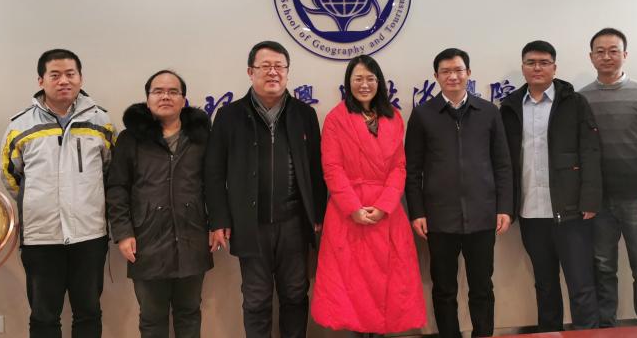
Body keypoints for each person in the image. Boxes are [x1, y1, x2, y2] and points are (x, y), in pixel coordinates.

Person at [204, 41, 327, 338]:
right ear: (251, 72)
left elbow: (316, 168)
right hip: (250, 224)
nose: (273, 72)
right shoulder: (229, 116)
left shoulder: (304, 114)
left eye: (279, 66)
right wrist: (218, 219)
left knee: (295, 294)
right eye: (265, 66)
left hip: (294, 222)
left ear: (287, 72)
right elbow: (214, 172)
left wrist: (318, 214)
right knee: (256, 298)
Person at [0, 48, 113, 338]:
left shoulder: (101, 121)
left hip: (89, 234)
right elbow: (11, 177)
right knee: (43, 316)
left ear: (80, 78)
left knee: (88, 312)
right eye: (55, 75)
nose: (64, 80)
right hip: (41, 237)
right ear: (41, 81)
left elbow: (110, 173)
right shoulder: (20, 125)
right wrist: (39, 202)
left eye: (70, 74)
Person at [312, 55, 426, 338]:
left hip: (387, 213)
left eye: (370, 79)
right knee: (352, 289)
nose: (364, 85)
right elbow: (332, 168)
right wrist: (353, 207)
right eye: (358, 79)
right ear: (348, 82)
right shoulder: (336, 118)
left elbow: (399, 166)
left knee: (387, 286)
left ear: (379, 82)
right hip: (348, 213)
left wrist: (385, 205)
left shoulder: (393, 116)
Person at [404, 48, 513, 338]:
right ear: (436, 76)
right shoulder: (423, 115)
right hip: (439, 218)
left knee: (482, 287)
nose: (453, 76)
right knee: (444, 289)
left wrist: (504, 207)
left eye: (458, 70)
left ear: (468, 73)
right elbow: (412, 170)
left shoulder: (488, 112)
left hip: (482, 214)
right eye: (446, 71)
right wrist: (417, 212)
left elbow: (503, 164)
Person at [499, 40, 602, 331]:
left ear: (554, 67)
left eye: (544, 62)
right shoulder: (510, 107)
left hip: (571, 211)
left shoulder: (574, 103)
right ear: (523, 67)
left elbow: (591, 152)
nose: (537, 68)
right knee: (545, 285)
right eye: (531, 62)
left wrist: (590, 200)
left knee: (581, 283)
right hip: (531, 212)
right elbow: (503, 161)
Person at [106, 70, 212, 338]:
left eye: (173, 91)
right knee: (152, 318)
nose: (166, 96)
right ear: (148, 98)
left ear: (183, 100)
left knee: (189, 314)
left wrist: (216, 224)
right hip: (146, 240)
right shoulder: (130, 139)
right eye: (158, 91)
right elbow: (117, 188)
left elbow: (214, 185)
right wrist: (123, 232)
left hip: (193, 237)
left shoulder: (201, 137)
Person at [580, 28, 637, 326]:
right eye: (600, 51)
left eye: (613, 50)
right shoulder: (581, 98)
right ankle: (606, 328)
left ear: (625, 55)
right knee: (602, 267)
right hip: (598, 200)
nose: (607, 56)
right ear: (591, 57)